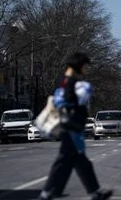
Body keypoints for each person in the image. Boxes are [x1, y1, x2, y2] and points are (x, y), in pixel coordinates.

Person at [39, 52, 112, 200]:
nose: (87, 70)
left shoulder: (68, 80)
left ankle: (93, 192)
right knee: (63, 162)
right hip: (70, 128)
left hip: (72, 128)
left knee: (80, 163)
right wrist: (82, 95)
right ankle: (47, 192)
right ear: (78, 66)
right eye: (85, 67)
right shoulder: (69, 81)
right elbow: (67, 101)